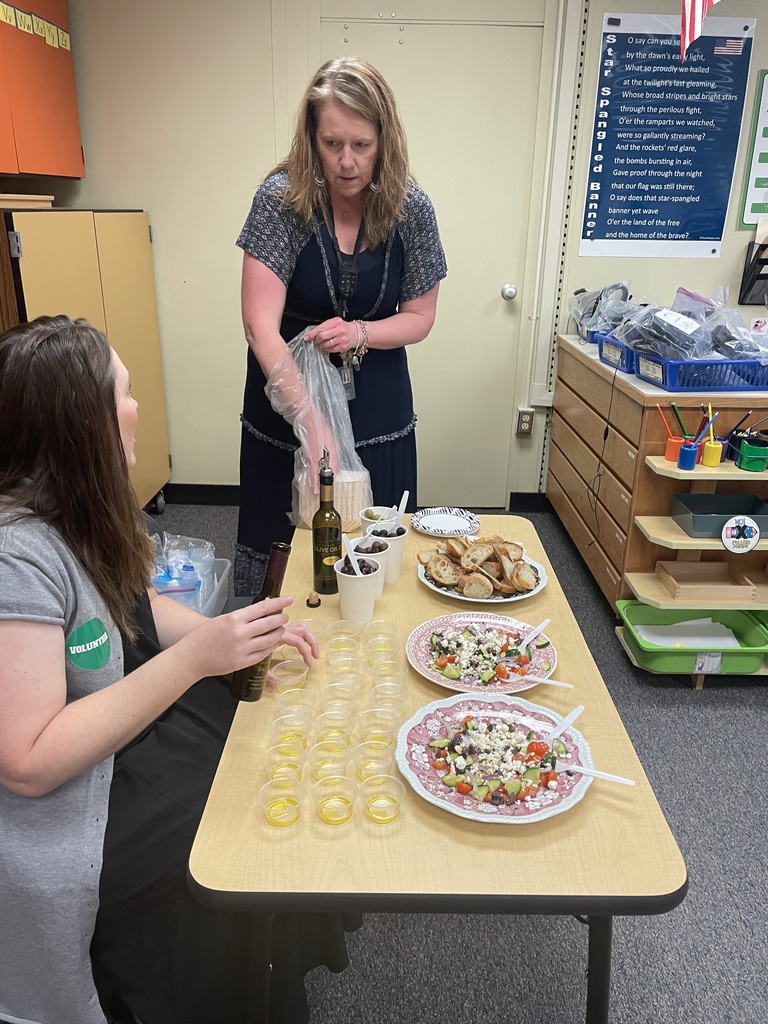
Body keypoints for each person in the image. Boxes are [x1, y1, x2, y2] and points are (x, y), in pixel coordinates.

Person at [0, 315, 355, 1024]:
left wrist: (237, 638)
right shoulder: (17, 557)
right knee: (236, 819)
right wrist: (198, 660)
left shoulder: (83, 507)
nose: (136, 410)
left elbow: (142, 611)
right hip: (74, 798)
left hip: (121, 743)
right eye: (123, 395)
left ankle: (274, 967)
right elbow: (29, 762)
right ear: (83, 427)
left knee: (267, 739)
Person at [235, 55, 447, 594]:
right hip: (288, 397)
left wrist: (361, 333)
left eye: (361, 145)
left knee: (375, 557)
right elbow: (261, 326)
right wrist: (312, 425)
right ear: (311, 139)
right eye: (332, 145)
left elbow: (420, 317)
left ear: (385, 140)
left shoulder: (411, 208)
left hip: (377, 403)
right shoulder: (280, 201)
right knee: (287, 560)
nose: (346, 162)